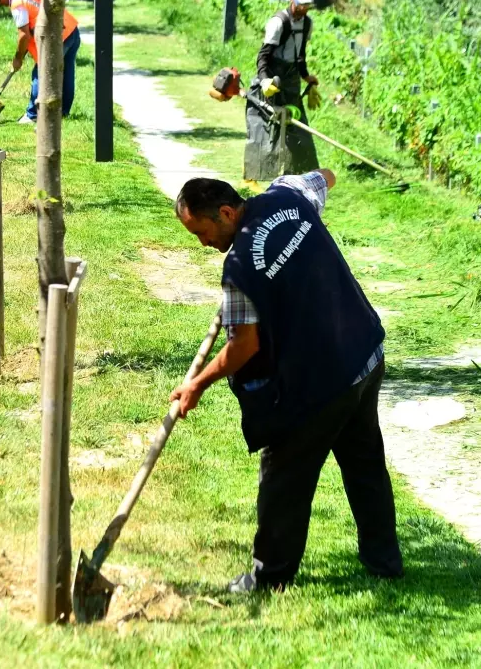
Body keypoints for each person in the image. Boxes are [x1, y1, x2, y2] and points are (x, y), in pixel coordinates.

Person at [170, 170, 403, 593]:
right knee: (365, 464)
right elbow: (325, 178)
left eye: (201, 232)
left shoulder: (239, 268)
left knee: (284, 480)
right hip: (364, 355)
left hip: (320, 383)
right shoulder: (289, 194)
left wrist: (197, 384)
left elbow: (243, 348)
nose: (202, 243)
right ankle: (384, 561)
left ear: (225, 212)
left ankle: (270, 576)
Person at [244, 0, 321, 181]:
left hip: (292, 80)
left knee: (297, 128)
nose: (303, 8)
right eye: (300, 3)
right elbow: (263, 56)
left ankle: (300, 177)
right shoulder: (278, 22)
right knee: (266, 129)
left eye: (307, 5)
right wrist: (264, 81)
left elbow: (300, 54)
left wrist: (306, 76)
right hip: (273, 79)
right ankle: (256, 176)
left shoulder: (307, 24)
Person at [0, 0, 81, 125]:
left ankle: (32, 115)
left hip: (58, 38)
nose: (1, 4)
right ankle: (63, 113)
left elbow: (24, 35)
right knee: (66, 73)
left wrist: (18, 58)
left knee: (39, 74)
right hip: (71, 31)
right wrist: (23, 54)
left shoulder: (17, 3)